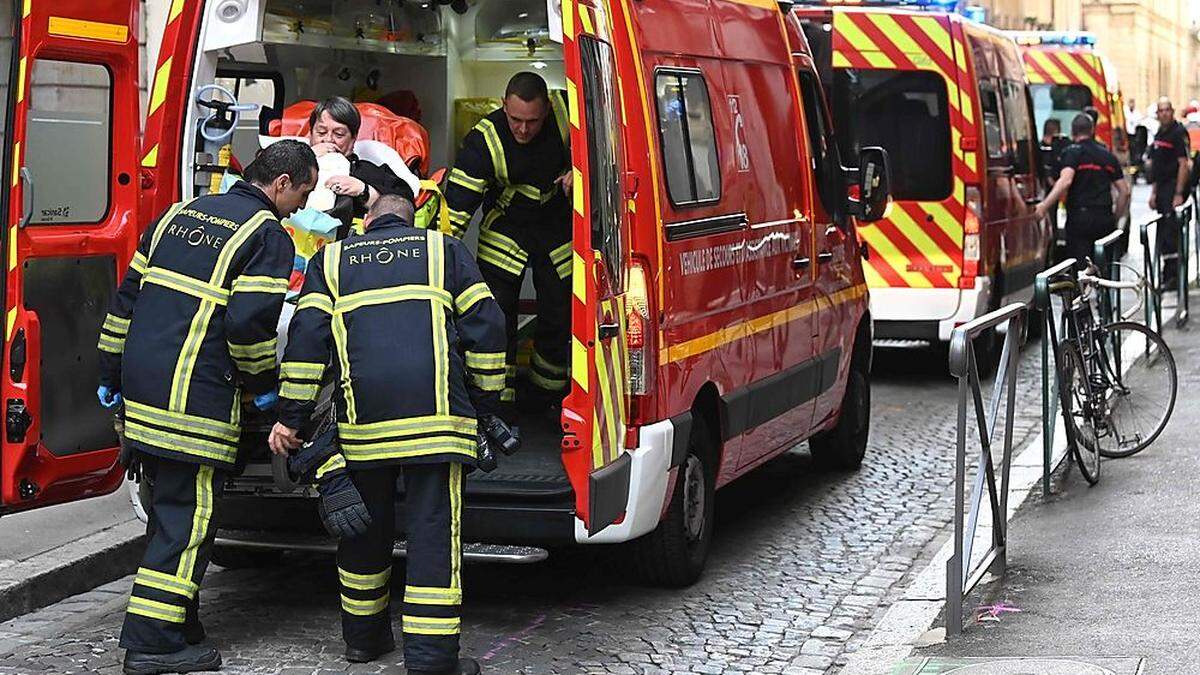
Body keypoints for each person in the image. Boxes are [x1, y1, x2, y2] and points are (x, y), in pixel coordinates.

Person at [96, 140, 318, 674]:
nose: (300, 208)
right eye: (302, 195)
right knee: (187, 521)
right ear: (282, 184)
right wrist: (267, 389)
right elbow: (248, 326)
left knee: (166, 512)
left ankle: (179, 622)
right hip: (193, 400)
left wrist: (108, 371)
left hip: (142, 388)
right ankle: (152, 643)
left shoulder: (179, 214)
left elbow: (126, 300)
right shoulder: (266, 235)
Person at [268, 194, 507, 675]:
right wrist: (486, 405)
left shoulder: (331, 259)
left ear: (367, 221)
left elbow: (307, 341)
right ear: (411, 220)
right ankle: (431, 658)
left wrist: (292, 417)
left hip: (364, 425)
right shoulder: (444, 250)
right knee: (433, 534)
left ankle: (363, 640)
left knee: (363, 528)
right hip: (437, 425)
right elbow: (488, 326)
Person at [442, 72, 572, 419]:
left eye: (532, 121)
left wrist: (581, 171)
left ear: (546, 109)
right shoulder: (483, 140)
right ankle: (498, 401)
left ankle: (548, 395)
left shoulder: (568, 111)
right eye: (516, 120)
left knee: (560, 313)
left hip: (557, 227)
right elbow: (456, 209)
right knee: (496, 317)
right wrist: (437, 263)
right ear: (503, 106)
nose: (524, 130)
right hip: (506, 230)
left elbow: (609, 147)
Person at [307, 96, 415, 238]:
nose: (328, 139)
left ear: (353, 139)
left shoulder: (367, 171)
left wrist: (364, 191)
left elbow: (404, 203)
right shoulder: (291, 161)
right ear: (310, 134)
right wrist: (306, 157)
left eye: (338, 134)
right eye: (321, 132)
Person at [1035, 114, 1130, 265]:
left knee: (1080, 268)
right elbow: (1124, 191)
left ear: (1073, 132)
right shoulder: (1107, 156)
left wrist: (1044, 206)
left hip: (1080, 219)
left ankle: (1082, 287)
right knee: (1104, 268)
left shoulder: (1072, 153)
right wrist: (1115, 218)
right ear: (1092, 131)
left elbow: (1065, 180)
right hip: (1103, 217)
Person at [1147, 98, 1191, 287]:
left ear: (1172, 112)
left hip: (1174, 187)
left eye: (1167, 110)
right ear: (1157, 114)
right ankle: (1167, 273)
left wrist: (1179, 193)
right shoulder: (1159, 133)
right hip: (1163, 188)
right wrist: (1154, 193)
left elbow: (1184, 164)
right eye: (1161, 110)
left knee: (1171, 232)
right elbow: (1157, 166)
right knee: (1164, 231)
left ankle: (1173, 275)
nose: (1164, 113)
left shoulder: (1178, 132)